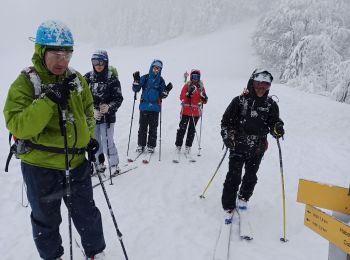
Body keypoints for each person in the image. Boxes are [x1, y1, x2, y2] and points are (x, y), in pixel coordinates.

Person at [3, 20, 105, 260]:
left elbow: (89, 111)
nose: (63, 61)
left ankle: (95, 253)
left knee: (87, 213)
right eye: (56, 54)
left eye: (67, 53)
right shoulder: (25, 83)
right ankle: (52, 257)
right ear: (41, 51)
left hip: (77, 162)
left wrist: (87, 137)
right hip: (41, 168)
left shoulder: (77, 79)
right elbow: (18, 125)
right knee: (46, 220)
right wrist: (48, 101)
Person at [220, 69, 285, 217]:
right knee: (234, 175)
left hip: (258, 147)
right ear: (252, 83)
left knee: (251, 175)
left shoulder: (271, 105)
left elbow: (274, 123)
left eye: (265, 86)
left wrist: (277, 128)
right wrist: (227, 135)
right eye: (258, 85)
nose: (261, 89)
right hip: (238, 145)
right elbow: (226, 122)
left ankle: (243, 198)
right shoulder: (239, 101)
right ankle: (228, 204)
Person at [84, 50, 123, 174]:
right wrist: (92, 110)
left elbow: (118, 98)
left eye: (101, 62)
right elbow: (82, 99)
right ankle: (98, 163)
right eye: (95, 62)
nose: (98, 65)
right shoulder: (88, 78)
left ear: (106, 62)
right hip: (93, 117)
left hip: (108, 118)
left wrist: (109, 107)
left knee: (107, 142)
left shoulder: (112, 79)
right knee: (95, 142)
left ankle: (114, 165)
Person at [132, 59, 173, 153]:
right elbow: (136, 89)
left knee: (153, 127)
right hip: (144, 106)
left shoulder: (161, 80)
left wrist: (166, 91)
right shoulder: (145, 78)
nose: (156, 70)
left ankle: (151, 145)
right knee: (142, 127)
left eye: (158, 69)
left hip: (155, 107)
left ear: (160, 70)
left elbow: (162, 95)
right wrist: (136, 81)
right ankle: (141, 145)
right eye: (155, 68)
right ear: (151, 67)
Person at [174, 69, 208, 157]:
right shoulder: (187, 85)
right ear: (191, 77)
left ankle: (188, 146)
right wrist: (188, 94)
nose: (195, 79)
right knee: (182, 129)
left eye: (197, 77)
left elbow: (204, 100)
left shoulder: (201, 87)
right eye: (193, 76)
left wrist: (204, 98)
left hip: (195, 112)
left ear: (199, 78)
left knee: (192, 130)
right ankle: (178, 145)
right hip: (186, 110)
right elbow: (181, 97)